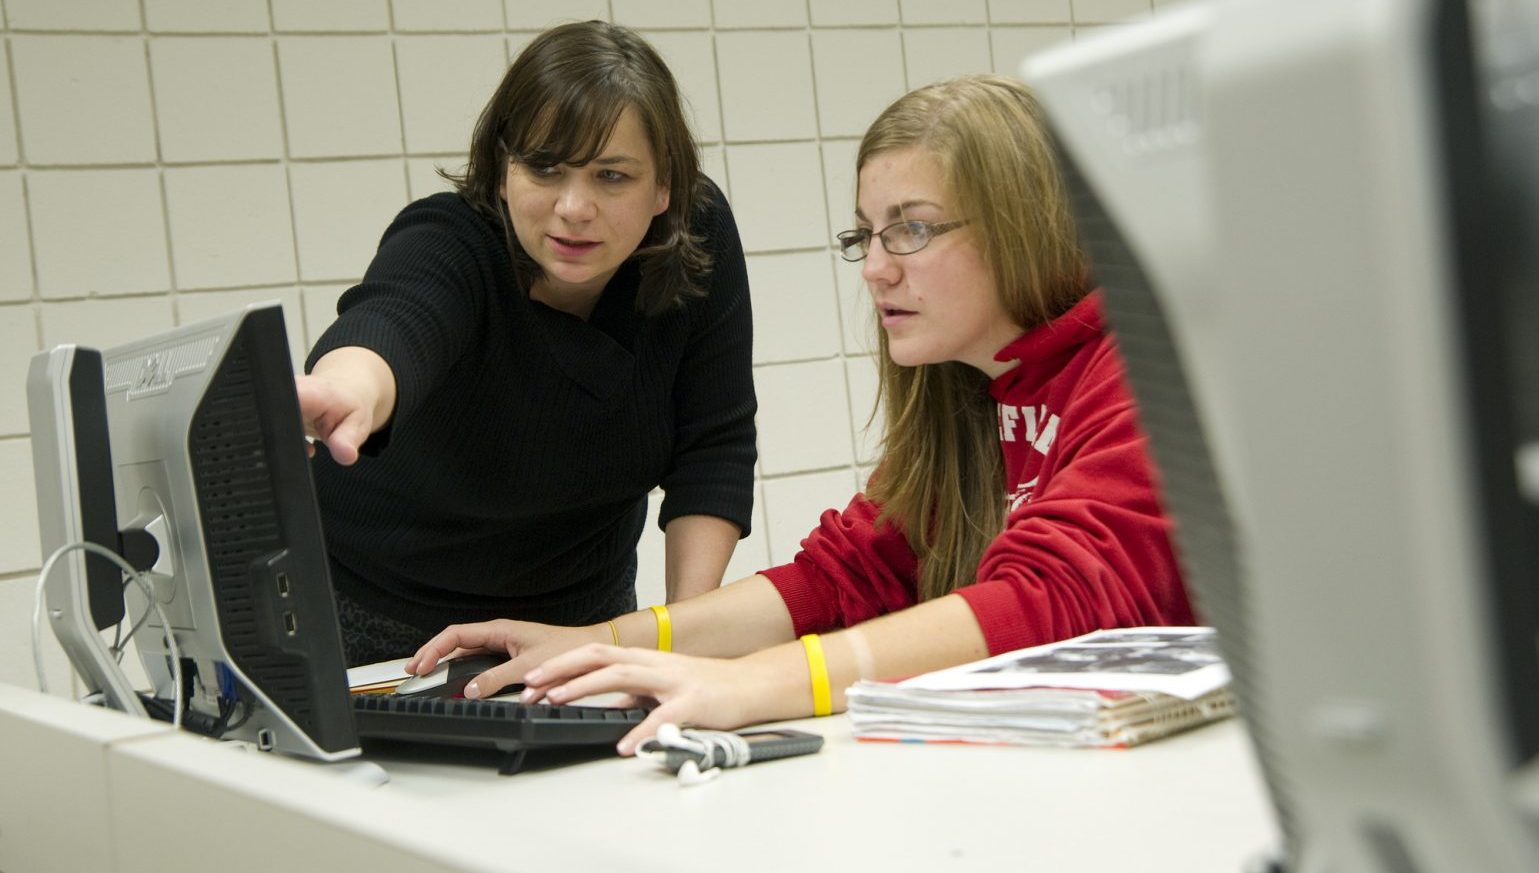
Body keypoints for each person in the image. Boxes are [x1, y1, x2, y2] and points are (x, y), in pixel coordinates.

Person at [404, 73, 1195, 752]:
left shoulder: (1147, 368)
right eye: (867, 235)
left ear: (1025, 223)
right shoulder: (969, 388)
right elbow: (841, 577)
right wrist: (598, 643)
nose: (876, 268)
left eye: (912, 229)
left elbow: (1051, 605)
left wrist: (751, 685)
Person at [298, 21, 756, 667]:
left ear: (665, 188)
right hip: (366, 613)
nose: (574, 206)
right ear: (500, 170)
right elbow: (395, 319)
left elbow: (714, 447)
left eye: (612, 176)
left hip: (577, 619)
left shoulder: (697, 239)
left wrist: (679, 639)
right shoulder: (451, 239)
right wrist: (345, 389)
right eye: (544, 167)